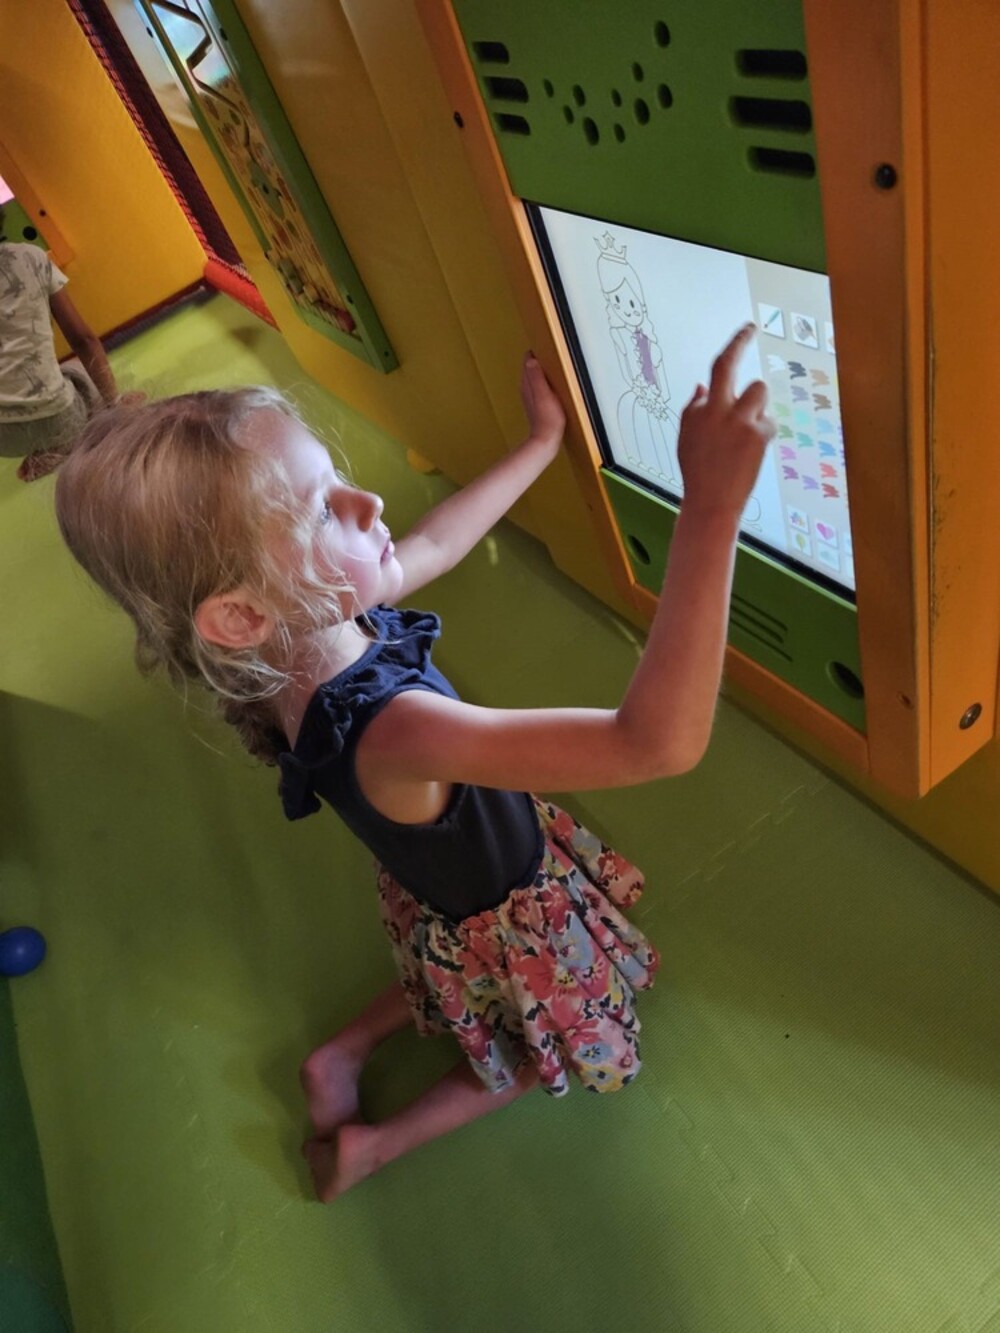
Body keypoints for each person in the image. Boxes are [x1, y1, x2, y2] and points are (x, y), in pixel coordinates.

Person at [54, 323, 774, 1201]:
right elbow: (652, 742)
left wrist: (540, 443)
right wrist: (712, 511)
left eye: (336, 480)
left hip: (439, 893)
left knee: (454, 968)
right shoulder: (399, 728)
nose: (367, 503)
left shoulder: (299, 635)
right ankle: (375, 1145)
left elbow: (434, 544)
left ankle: (341, 1052)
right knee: (532, 1048)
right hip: (507, 904)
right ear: (239, 613)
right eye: (324, 510)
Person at [0, 207, 118, 481]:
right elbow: (83, 340)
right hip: (58, 419)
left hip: (3, 441)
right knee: (77, 369)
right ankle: (71, 442)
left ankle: (53, 447)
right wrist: (116, 405)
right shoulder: (31, 257)